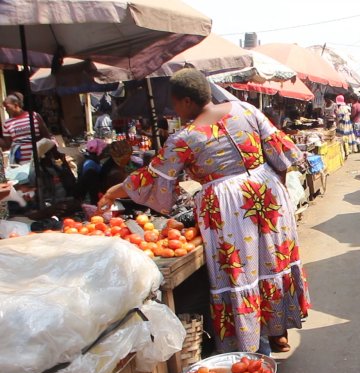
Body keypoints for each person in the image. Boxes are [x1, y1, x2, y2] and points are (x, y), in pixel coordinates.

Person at [98, 69, 310, 354]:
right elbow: (280, 153)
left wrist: (114, 191)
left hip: (228, 206)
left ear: (186, 101)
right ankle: (278, 333)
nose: (174, 109)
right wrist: (273, 190)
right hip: (268, 192)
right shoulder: (245, 108)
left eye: (174, 103)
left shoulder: (185, 138)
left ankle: (252, 350)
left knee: (241, 272)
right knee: (272, 260)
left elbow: (153, 176)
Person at [2, 92, 52, 165]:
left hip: (40, 161)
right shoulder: (7, 123)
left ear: (16, 105)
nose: (6, 110)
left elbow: (47, 137)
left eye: (7, 107)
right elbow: (7, 144)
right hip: (20, 164)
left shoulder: (34, 116)